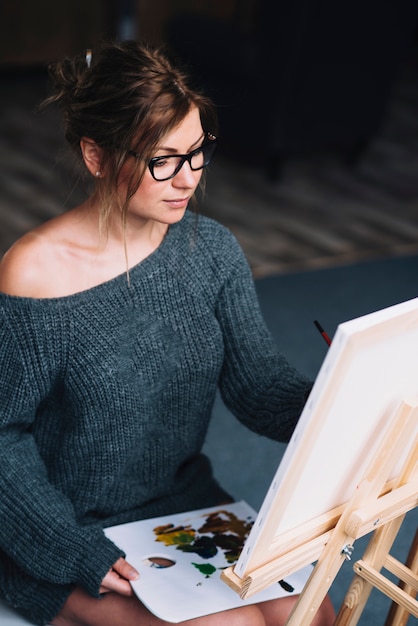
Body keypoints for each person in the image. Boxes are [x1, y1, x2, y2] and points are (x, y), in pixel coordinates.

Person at [0, 40, 335, 626]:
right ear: (97, 156)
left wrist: (345, 403)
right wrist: (69, 548)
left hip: (180, 505)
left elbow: (258, 387)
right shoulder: (34, 274)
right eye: (163, 159)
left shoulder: (211, 251)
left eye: (197, 152)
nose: (187, 179)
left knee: (313, 612)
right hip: (65, 529)